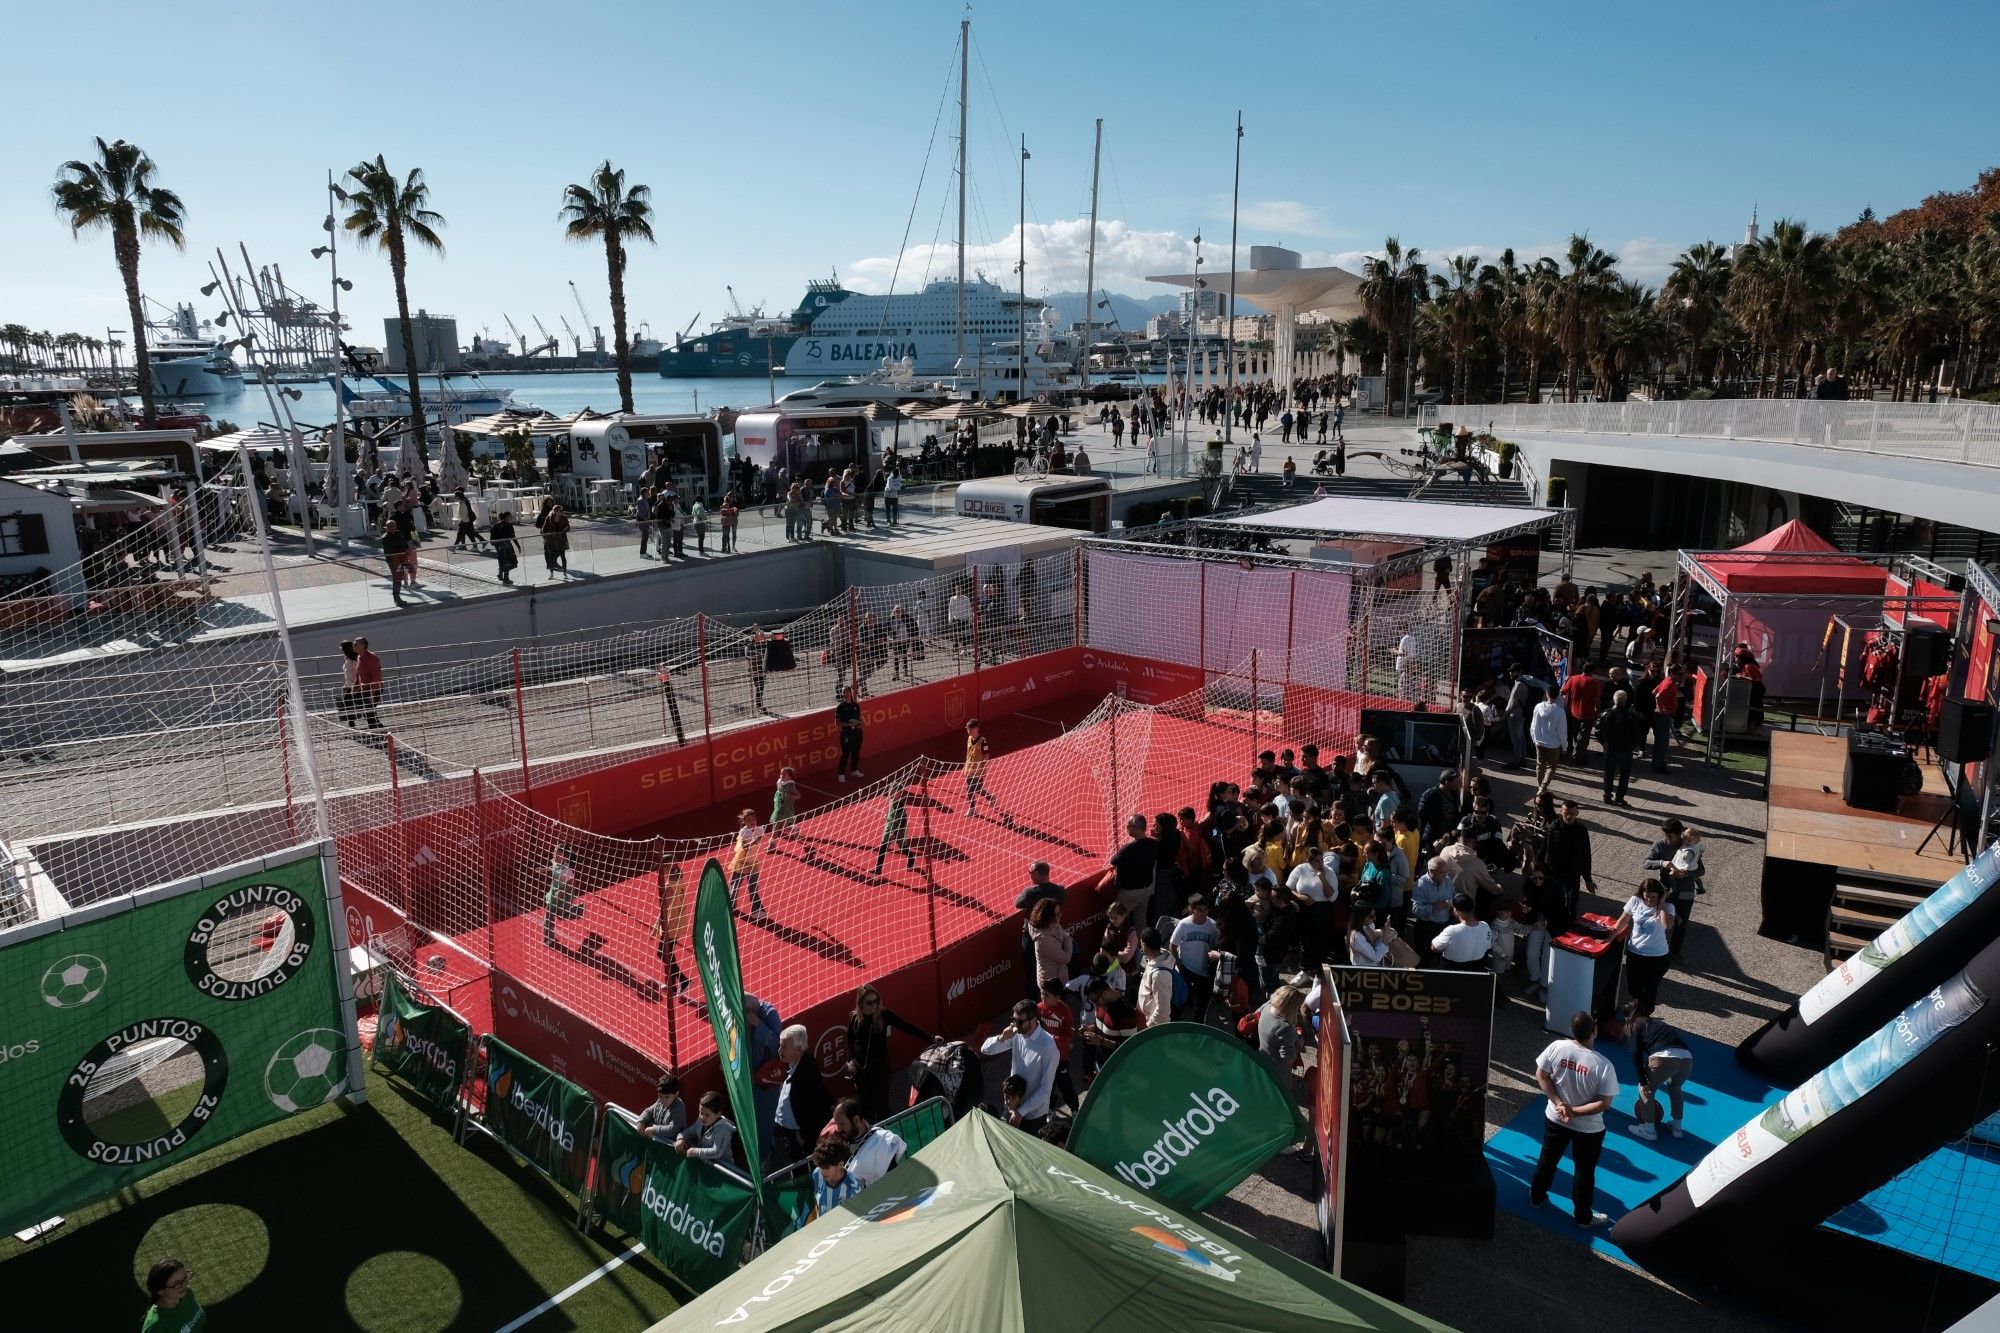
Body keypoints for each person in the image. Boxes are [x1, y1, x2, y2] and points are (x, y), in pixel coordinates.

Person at [1530, 1011, 1619, 1228]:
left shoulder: (1557, 1047)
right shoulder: (1603, 1065)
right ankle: (1582, 1217)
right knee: (1584, 1171)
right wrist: (1574, 1112)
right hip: (1588, 1129)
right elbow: (1604, 1104)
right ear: (1594, 1031)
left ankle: (1536, 1197)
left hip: (1555, 1118)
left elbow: (1541, 1075)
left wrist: (1559, 1104)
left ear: (1572, 1030)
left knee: (1547, 1158)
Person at [843, 984, 931, 1121]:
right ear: (860, 1003)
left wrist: (930, 1038)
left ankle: (889, 1138)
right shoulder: (854, 1017)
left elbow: (906, 1026)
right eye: (869, 1002)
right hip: (861, 1072)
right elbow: (850, 1038)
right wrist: (852, 1059)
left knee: (882, 1107)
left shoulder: (884, 1015)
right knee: (866, 1109)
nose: (874, 1005)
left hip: (880, 1070)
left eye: (876, 1001)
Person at [980, 999, 1059, 1136]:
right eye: (1013, 1019)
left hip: (1033, 1115)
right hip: (1012, 1105)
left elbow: (1045, 1090)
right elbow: (985, 1050)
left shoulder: (1049, 1047)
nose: (1016, 1025)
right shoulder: (1016, 1034)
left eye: (1020, 1021)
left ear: (1033, 1021)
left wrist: (1021, 1112)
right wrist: (1002, 1037)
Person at [1628, 1004, 1695, 1141]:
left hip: (1663, 1058)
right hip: (1687, 1059)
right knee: (1675, 1088)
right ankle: (1677, 1127)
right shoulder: (1659, 1024)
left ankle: (1649, 1130)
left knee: (1646, 1090)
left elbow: (1635, 1053)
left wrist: (1643, 1080)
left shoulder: (1635, 1024)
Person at [1613, 878, 1676, 1013]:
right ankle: (1637, 1010)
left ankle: (1642, 1017)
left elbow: (1668, 925)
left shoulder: (1668, 907)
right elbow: (1623, 920)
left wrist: (1662, 904)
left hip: (1658, 957)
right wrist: (1610, 936)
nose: (1649, 900)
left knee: (1649, 991)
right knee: (1634, 988)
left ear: (1660, 895)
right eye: (1647, 897)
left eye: (1653, 897)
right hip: (1635, 953)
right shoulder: (1635, 901)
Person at [774, 1023, 832, 1165]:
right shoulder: (796, 1063)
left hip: (800, 1135)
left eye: (784, 1047)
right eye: (780, 1045)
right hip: (792, 1131)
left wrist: (804, 1137)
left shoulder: (806, 1075)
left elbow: (814, 1108)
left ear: (798, 1049)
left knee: (801, 1166)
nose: (779, 1050)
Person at [1543, 799, 1599, 921]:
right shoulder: (1553, 828)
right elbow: (1545, 851)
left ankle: (1570, 926)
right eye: (1566, 813)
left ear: (1577, 813)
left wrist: (1588, 879)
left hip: (1572, 873)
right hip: (1554, 873)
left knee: (1571, 903)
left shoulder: (1581, 830)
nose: (1568, 816)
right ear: (1560, 812)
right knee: (1554, 901)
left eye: (1572, 814)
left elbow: (1586, 855)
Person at [1169, 894, 1222, 1020]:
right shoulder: (1184, 925)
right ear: (1192, 909)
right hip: (1186, 968)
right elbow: (1173, 945)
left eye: (1205, 909)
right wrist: (1179, 964)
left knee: (1200, 1007)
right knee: (1179, 1000)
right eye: (1199, 910)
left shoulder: (1213, 926)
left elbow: (1216, 947)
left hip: (1204, 972)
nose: (1203, 913)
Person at [834, 1097, 905, 1188]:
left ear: (856, 1120)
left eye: (842, 1124)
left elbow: (892, 1176)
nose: (838, 1129)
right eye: (837, 1124)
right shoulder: (842, 1150)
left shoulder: (883, 1141)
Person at [1597, 689, 1640, 805]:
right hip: (1625, 750)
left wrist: (1604, 742)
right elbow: (1635, 733)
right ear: (1625, 701)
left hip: (1610, 748)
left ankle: (1607, 795)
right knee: (1624, 774)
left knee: (1609, 773)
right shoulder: (1630, 716)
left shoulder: (1605, 713)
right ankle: (1620, 797)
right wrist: (1633, 746)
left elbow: (1598, 730)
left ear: (1614, 700)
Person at [1430, 894, 1493, 971]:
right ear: (1473, 908)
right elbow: (1487, 947)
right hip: (1476, 970)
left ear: (1455, 910)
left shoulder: (1452, 930)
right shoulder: (1485, 926)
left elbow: (1435, 947)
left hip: (1452, 970)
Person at [141, 1257, 203, 1333]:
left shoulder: (187, 1294)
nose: (184, 1285)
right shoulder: (156, 1327)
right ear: (160, 1290)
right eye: (176, 1283)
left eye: (185, 1278)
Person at [728, 809, 768, 922]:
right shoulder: (743, 832)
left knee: (753, 887)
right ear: (745, 822)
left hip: (752, 862)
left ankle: (757, 911)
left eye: (754, 819)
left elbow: (761, 837)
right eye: (749, 820)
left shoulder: (760, 830)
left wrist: (755, 840)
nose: (752, 822)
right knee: (735, 886)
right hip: (741, 862)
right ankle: (731, 905)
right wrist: (754, 841)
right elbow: (745, 847)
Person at [677, 1090, 738, 1162]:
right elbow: (690, 1131)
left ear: (718, 1114)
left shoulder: (723, 1130)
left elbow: (717, 1152)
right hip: (706, 1166)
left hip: (722, 1170)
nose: (702, 1117)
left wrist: (696, 1152)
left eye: (707, 1115)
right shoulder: (700, 1121)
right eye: (701, 1113)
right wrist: (680, 1139)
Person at [1026, 897, 1074, 989]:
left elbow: (1064, 936)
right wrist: (1068, 939)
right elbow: (1066, 958)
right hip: (1051, 986)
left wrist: (1066, 938)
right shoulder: (1043, 940)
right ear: (1049, 917)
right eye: (1057, 914)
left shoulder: (1054, 925)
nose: (1061, 915)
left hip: (1059, 976)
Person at [810, 1137, 862, 1216]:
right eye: (821, 1167)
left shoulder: (853, 1188)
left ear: (840, 1164)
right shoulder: (816, 1174)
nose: (822, 1172)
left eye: (826, 1168)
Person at [543, 845, 583, 948]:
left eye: (557, 853)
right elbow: (554, 867)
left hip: (562, 896)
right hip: (553, 895)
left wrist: (561, 891)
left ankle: (578, 910)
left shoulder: (567, 870)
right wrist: (544, 869)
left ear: (564, 856)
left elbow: (573, 882)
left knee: (561, 915)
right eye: (554, 852)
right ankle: (548, 938)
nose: (554, 854)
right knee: (549, 917)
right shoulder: (556, 862)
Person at [1530, 685, 1568, 790]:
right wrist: (1564, 746)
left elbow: (1533, 725)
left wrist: (1534, 738)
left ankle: (1540, 786)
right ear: (1558, 696)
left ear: (1547, 694)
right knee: (1551, 766)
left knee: (1540, 765)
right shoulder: (1560, 712)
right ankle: (1543, 787)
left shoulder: (1538, 707)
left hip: (1539, 742)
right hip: (1553, 744)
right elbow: (1562, 732)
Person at [873, 786, 917, 877]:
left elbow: (903, 821)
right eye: (890, 791)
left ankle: (911, 859)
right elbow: (890, 810)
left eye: (893, 791)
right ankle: (878, 869)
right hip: (889, 827)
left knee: (903, 848)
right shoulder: (891, 800)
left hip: (898, 829)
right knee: (883, 848)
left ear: (899, 793)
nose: (890, 793)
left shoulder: (900, 805)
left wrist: (895, 833)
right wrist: (887, 815)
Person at [637, 1073, 686, 1143]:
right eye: (660, 1096)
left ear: (676, 1094)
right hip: (656, 1138)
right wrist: (641, 1122)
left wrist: (654, 1129)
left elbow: (674, 1130)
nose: (663, 1100)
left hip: (669, 1144)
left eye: (667, 1097)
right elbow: (649, 1111)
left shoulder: (679, 1107)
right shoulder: (660, 1101)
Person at [963, 718, 993, 816]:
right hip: (969, 769)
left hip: (978, 771)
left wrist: (983, 769)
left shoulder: (982, 741)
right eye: (968, 729)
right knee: (971, 789)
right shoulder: (969, 739)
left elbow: (986, 757)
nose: (968, 731)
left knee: (975, 788)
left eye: (970, 729)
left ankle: (988, 799)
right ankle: (973, 808)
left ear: (976, 729)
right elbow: (968, 754)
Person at [835, 685, 864, 782]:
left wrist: (860, 724)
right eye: (843, 692)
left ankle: (854, 770)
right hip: (846, 733)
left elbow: (860, 718)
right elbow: (837, 723)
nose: (845, 694)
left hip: (857, 732)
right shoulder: (840, 707)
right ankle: (841, 774)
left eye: (847, 692)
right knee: (846, 753)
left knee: (856, 752)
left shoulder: (855, 705)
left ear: (850, 693)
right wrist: (849, 724)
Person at [540, 502, 571, 576]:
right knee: (552, 557)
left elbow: (568, 527)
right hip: (552, 541)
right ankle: (551, 573)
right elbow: (544, 529)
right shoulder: (549, 518)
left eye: (562, 511)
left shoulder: (564, 518)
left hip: (561, 540)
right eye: (560, 511)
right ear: (555, 511)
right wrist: (546, 538)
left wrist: (565, 529)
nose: (562, 512)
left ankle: (565, 570)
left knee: (563, 556)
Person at [491, 511, 520, 584]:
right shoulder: (508, 525)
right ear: (506, 517)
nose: (511, 518)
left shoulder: (496, 525)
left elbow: (492, 537)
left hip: (498, 546)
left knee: (502, 560)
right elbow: (513, 537)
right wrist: (518, 546)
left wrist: (496, 545)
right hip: (507, 546)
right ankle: (506, 579)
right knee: (510, 562)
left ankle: (500, 574)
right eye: (510, 516)